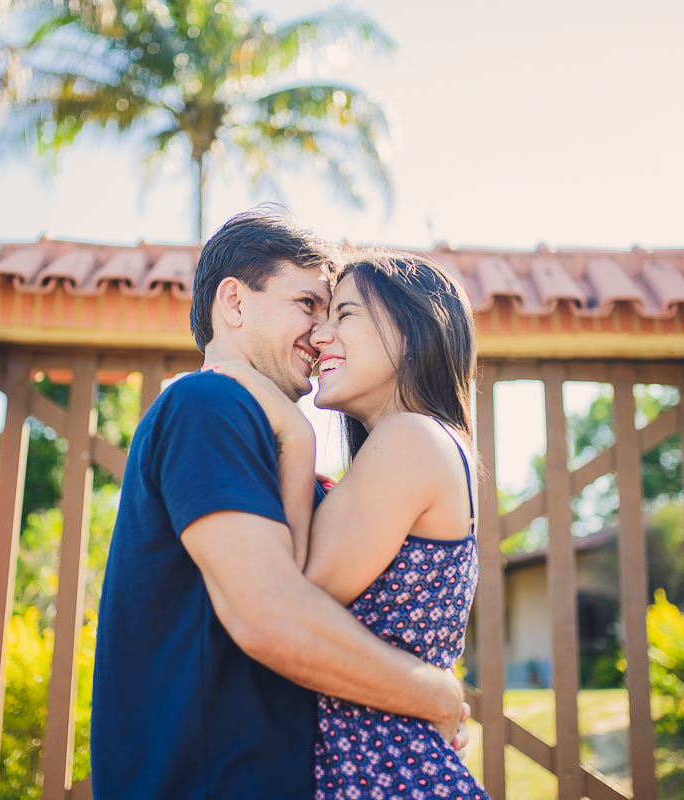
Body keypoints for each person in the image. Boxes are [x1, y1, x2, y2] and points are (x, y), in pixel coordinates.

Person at [89, 210, 467, 800]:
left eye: (335, 313)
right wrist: (435, 694)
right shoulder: (209, 403)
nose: (320, 334)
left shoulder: (297, 456)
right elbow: (272, 615)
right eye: (308, 304)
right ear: (234, 303)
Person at [205, 249, 492, 800]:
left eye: (344, 314)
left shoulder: (411, 439)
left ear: (412, 329)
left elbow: (290, 596)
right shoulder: (418, 447)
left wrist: (295, 435)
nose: (320, 335)